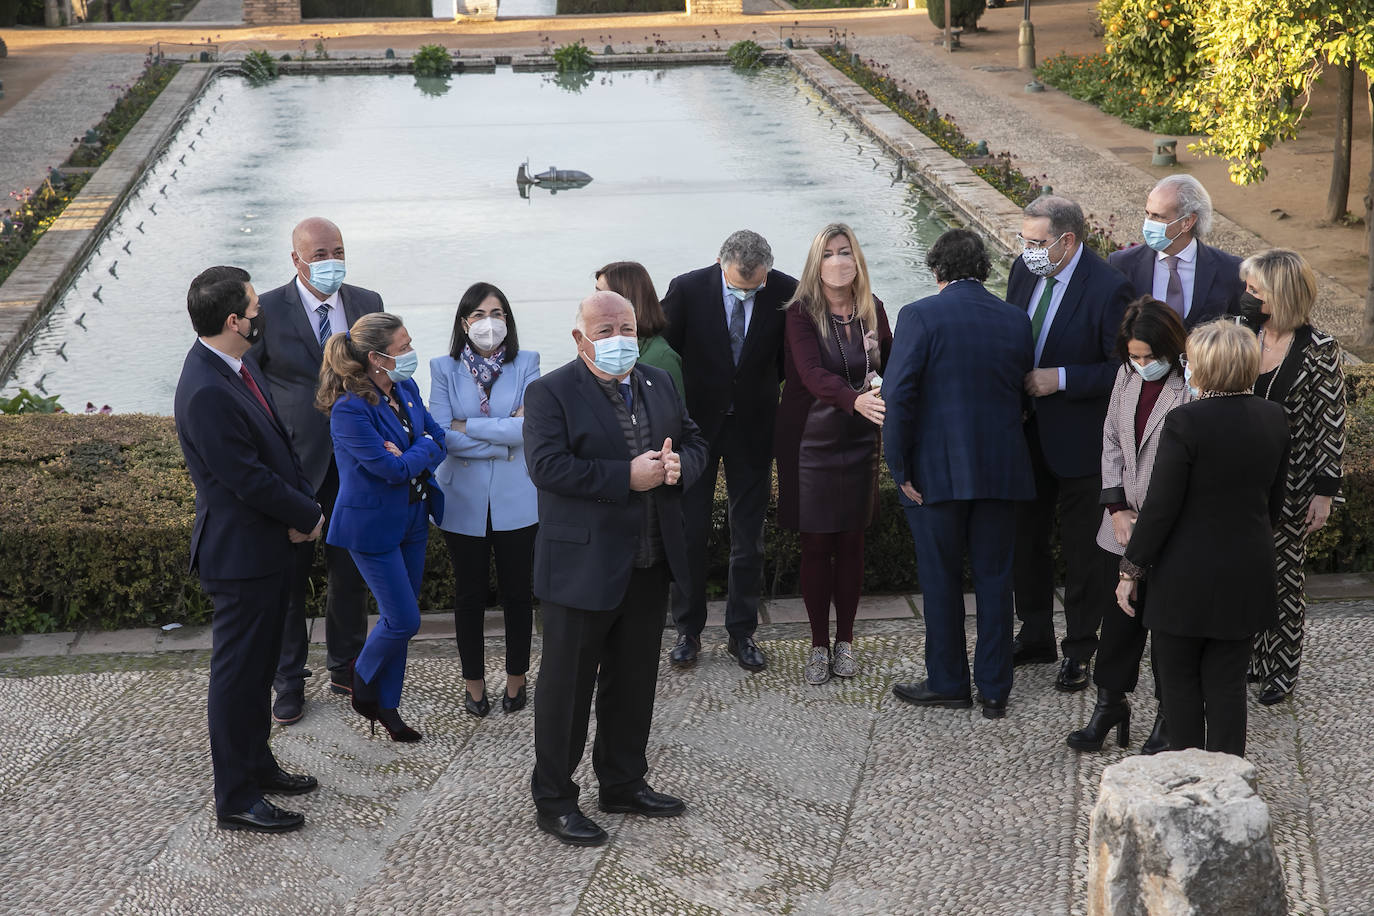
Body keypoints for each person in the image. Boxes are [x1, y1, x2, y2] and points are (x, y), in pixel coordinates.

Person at [524, 291, 707, 847]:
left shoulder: (658, 380)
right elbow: (547, 466)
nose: (617, 339)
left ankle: (623, 782)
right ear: (579, 337)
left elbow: (695, 439)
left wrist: (680, 467)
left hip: (649, 565)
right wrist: (623, 477)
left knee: (633, 684)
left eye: (625, 327)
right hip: (581, 569)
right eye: (604, 330)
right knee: (566, 691)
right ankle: (554, 800)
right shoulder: (549, 391)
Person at [173, 265, 323, 833]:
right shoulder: (208, 387)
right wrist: (307, 514)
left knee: (259, 669)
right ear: (235, 321)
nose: (263, 314)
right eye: (255, 308)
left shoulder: (229, 365)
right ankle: (235, 796)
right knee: (236, 680)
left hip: (265, 548)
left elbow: (272, 450)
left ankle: (258, 766)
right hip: (241, 556)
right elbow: (245, 477)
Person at [1117, 321, 1290, 756]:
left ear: (1205, 366)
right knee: (1228, 684)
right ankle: (1232, 784)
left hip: (1184, 579)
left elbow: (1160, 509)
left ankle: (1189, 777)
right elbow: (1275, 504)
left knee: (1180, 684)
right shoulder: (1274, 417)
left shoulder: (1184, 422)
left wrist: (1130, 569)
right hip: (1247, 570)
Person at [883, 229, 1035, 718]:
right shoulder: (1014, 319)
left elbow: (898, 396)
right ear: (984, 269)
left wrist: (898, 466)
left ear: (936, 270)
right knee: (996, 579)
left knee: (941, 579)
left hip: (935, 474)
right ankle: (994, 689)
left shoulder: (919, 314)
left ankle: (948, 681)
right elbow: (1020, 393)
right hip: (1003, 470)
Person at [253, 216, 382, 724]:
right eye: (320, 254)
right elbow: (253, 386)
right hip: (295, 465)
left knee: (351, 569)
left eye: (338, 251)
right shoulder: (266, 309)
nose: (331, 262)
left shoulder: (367, 301)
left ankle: (347, 665)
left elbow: (382, 367)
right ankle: (288, 678)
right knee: (291, 577)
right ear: (296, 259)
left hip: (356, 461)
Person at [1006, 195, 1133, 691]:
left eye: (1038, 242)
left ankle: (1080, 647)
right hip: (1025, 431)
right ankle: (1034, 632)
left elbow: (1122, 368)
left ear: (1068, 241)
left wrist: (1058, 378)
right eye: (1025, 240)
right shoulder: (1023, 271)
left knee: (1084, 552)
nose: (1028, 250)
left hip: (1082, 440)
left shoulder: (1109, 288)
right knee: (1026, 539)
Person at [661, 230, 799, 671]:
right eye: (740, 287)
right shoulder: (686, 289)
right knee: (690, 533)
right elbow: (666, 355)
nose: (749, 293)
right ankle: (688, 631)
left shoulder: (786, 290)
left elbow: (787, 359)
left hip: (755, 426)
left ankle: (742, 633)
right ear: (721, 262)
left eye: (755, 286)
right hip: (697, 427)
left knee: (748, 538)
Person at [1066, 298, 1190, 754]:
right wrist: (1116, 509)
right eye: (1134, 357)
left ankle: (1167, 714)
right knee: (1118, 622)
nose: (1141, 365)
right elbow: (1112, 441)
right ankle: (1109, 704)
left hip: (1170, 529)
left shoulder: (1191, 384)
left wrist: (1149, 520)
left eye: (1149, 357)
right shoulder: (1125, 375)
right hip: (1120, 525)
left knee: (1165, 625)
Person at [318, 313, 446, 742]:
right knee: (403, 620)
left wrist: (418, 448)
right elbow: (388, 469)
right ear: (376, 358)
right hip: (370, 526)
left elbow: (438, 438)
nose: (411, 353)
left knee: (400, 619)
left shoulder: (405, 388)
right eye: (403, 347)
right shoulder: (350, 408)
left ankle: (388, 709)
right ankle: (362, 677)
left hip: (413, 516)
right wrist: (419, 449)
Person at [773, 223, 892, 685]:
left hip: (860, 439)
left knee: (852, 541)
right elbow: (809, 373)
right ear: (816, 263)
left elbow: (893, 362)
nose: (838, 260)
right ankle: (818, 645)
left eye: (845, 252)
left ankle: (845, 641)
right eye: (829, 254)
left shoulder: (872, 309)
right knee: (817, 543)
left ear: (856, 259)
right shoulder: (800, 312)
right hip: (810, 442)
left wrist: (886, 380)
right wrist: (854, 399)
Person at [429, 283, 540, 718]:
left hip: (518, 498)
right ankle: (473, 684)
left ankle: (517, 680)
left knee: (518, 593)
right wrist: (501, 437)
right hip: (463, 498)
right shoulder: (443, 368)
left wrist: (468, 425)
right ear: (464, 323)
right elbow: (442, 435)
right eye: (478, 314)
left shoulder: (527, 363)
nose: (488, 322)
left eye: (497, 313)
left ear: (508, 320)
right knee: (469, 594)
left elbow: (529, 430)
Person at [1242, 249, 1346, 705]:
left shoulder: (1321, 349)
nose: (1245, 296)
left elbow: (1331, 422)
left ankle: (1280, 670)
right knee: (1239, 573)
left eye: (1255, 290)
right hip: (1235, 480)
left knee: (1283, 579)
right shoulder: (1239, 332)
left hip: (1292, 483)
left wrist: (1324, 493)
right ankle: (1247, 656)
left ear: (1280, 295)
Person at [1107, 176, 1245, 329]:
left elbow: (1242, 334)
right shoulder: (1122, 264)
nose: (1148, 223)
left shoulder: (1230, 270)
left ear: (1187, 222)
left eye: (1158, 216)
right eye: (1148, 214)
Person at [595, 261, 684, 401]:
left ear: (626, 299)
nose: (593, 301)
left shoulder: (661, 359)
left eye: (601, 294)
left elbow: (672, 418)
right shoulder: (594, 345)